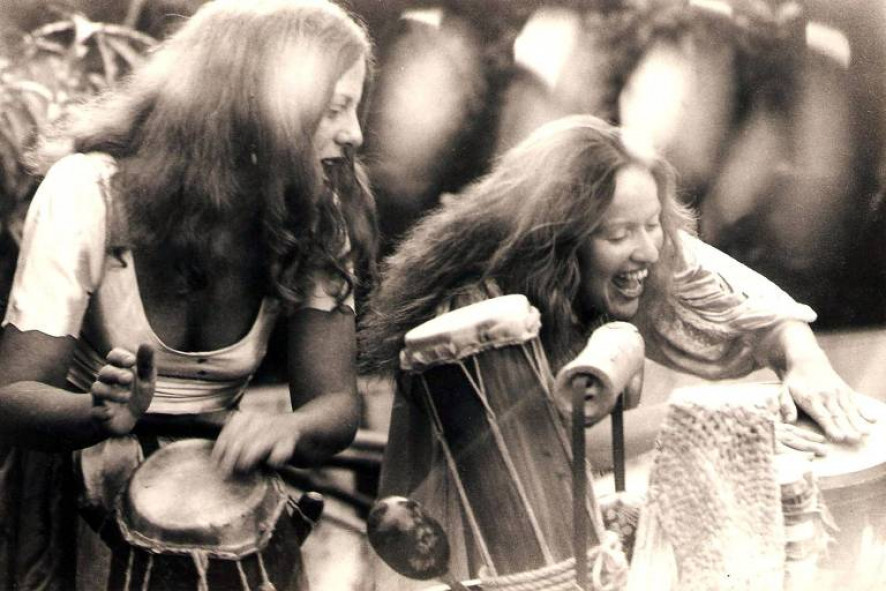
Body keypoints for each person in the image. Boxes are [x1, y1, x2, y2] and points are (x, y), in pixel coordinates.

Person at [359, 114, 874, 587]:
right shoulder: (476, 311)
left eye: (652, 224)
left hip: (574, 534)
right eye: (621, 233)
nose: (647, 249)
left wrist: (805, 363)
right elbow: (557, 443)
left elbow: (746, 301)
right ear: (554, 238)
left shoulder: (631, 251)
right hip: (476, 563)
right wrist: (727, 419)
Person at [0, 1, 376, 589]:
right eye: (333, 109)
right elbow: (12, 396)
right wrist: (97, 412)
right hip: (75, 493)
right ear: (261, 108)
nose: (354, 133)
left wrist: (290, 429)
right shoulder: (89, 191)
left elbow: (335, 404)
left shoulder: (313, 212)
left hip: (223, 487)